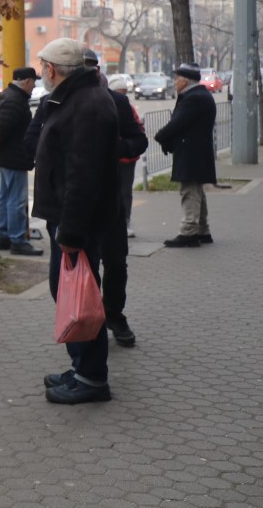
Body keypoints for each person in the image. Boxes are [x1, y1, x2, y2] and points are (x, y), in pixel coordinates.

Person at [32, 38, 122, 405]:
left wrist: (70, 232)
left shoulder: (85, 105)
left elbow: (81, 178)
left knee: (78, 297)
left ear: (52, 69)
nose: (41, 73)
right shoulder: (80, 97)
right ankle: (82, 366)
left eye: (42, 67)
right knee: (70, 292)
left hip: (77, 223)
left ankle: (91, 377)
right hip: (75, 219)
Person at [102, 75, 147, 347]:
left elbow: (138, 139)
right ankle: (86, 320)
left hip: (110, 202)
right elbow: (35, 141)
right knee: (76, 270)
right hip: (73, 203)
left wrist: (114, 149)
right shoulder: (56, 102)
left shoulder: (117, 102)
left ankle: (114, 315)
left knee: (116, 263)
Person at [154, 63, 217, 247]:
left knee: (189, 191)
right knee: (196, 191)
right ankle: (202, 230)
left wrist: (160, 136)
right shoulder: (199, 95)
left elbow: (177, 123)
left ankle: (189, 232)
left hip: (192, 153)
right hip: (196, 152)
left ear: (185, 80)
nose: (174, 82)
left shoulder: (194, 98)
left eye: (177, 79)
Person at [0, 67, 42, 256]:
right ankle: (17, 239)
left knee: (6, 197)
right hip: (13, 158)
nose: (35, 85)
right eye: (33, 81)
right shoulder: (15, 101)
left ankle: (3, 235)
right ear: (26, 81)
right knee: (16, 200)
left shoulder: (10, 97)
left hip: (8, 157)